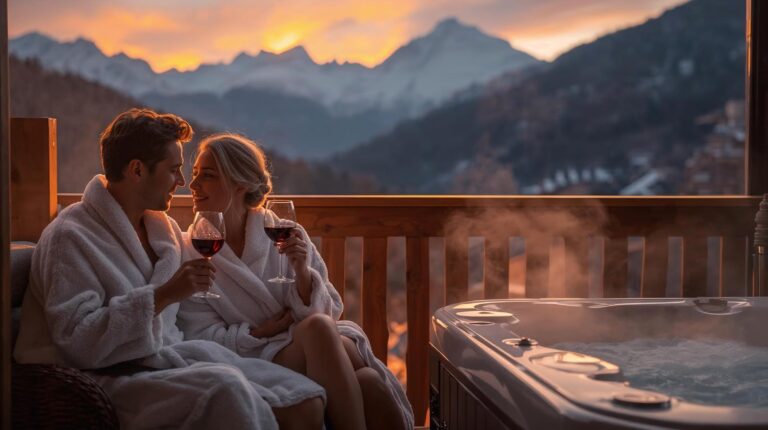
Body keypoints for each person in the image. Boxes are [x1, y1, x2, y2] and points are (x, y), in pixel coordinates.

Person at [13, 109, 326, 430]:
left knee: (306, 401)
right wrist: (163, 295)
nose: (182, 182)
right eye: (174, 170)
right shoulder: (72, 236)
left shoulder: (163, 231)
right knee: (227, 391)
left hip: (167, 359)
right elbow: (78, 342)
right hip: (107, 377)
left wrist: (250, 335)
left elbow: (190, 321)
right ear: (137, 170)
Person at [177, 133, 413, 430]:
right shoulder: (191, 249)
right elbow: (198, 334)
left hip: (302, 343)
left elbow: (329, 308)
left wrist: (302, 271)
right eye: (194, 174)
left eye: (207, 176)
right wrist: (256, 332)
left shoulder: (284, 233)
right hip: (249, 354)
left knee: (368, 381)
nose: (193, 185)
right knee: (326, 336)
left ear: (241, 184)